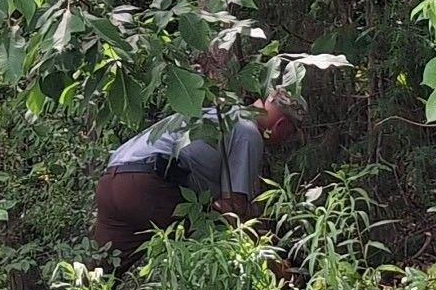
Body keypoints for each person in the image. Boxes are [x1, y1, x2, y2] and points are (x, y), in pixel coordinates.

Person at [90, 92, 301, 262]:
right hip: (149, 187)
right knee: (210, 243)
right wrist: (273, 265)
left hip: (112, 180)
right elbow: (232, 212)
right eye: (289, 135)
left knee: (103, 272)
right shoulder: (248, 131)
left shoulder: (219, 114)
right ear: (280, 124)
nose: (284, 141)